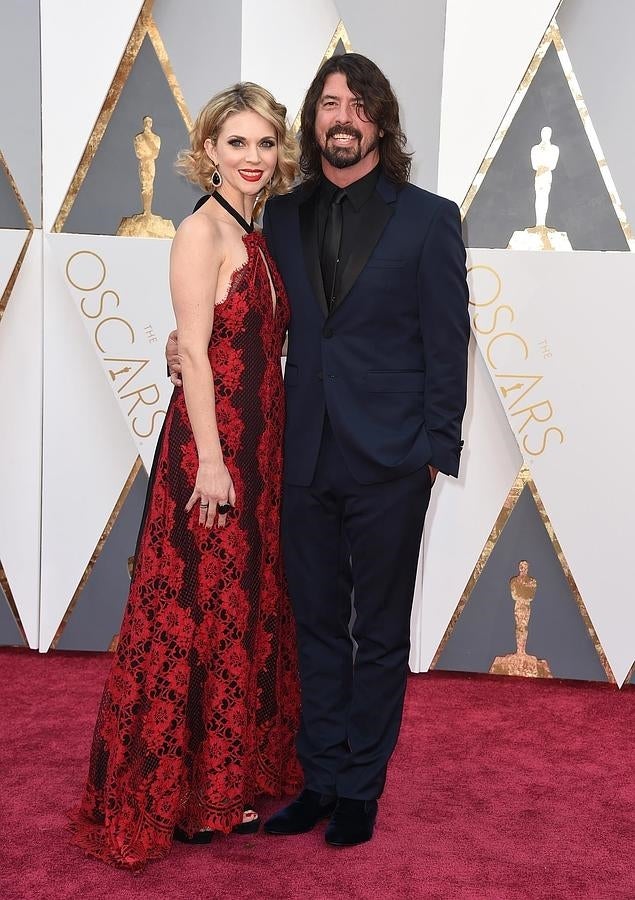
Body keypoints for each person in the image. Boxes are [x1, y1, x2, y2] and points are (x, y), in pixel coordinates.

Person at [170, 53, 470, 848]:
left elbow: (448, 341)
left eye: (358, 103)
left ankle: (362, 789)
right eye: (329, 103)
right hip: (296, 453)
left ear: (380, 119)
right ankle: (320, 778)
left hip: (392, 460)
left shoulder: (430, 217)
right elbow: (249, 312)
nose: (343, 116)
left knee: (377, 631)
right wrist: (184, 342)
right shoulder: (283, 215)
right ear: (314, 119)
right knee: (310, 627)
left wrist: (436, 448)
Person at [69, 83, 302, 871]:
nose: (253, 158)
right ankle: (185, 797)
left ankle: (222, 782)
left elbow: (228, 341)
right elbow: (197, 354)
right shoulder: (202, 231)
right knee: (196, 609)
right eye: (237, 143)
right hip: (216, 451)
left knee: (237, 607)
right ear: (207, 151)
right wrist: (208, 459)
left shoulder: (256, 230)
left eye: (265, 144)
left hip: (259, 450)